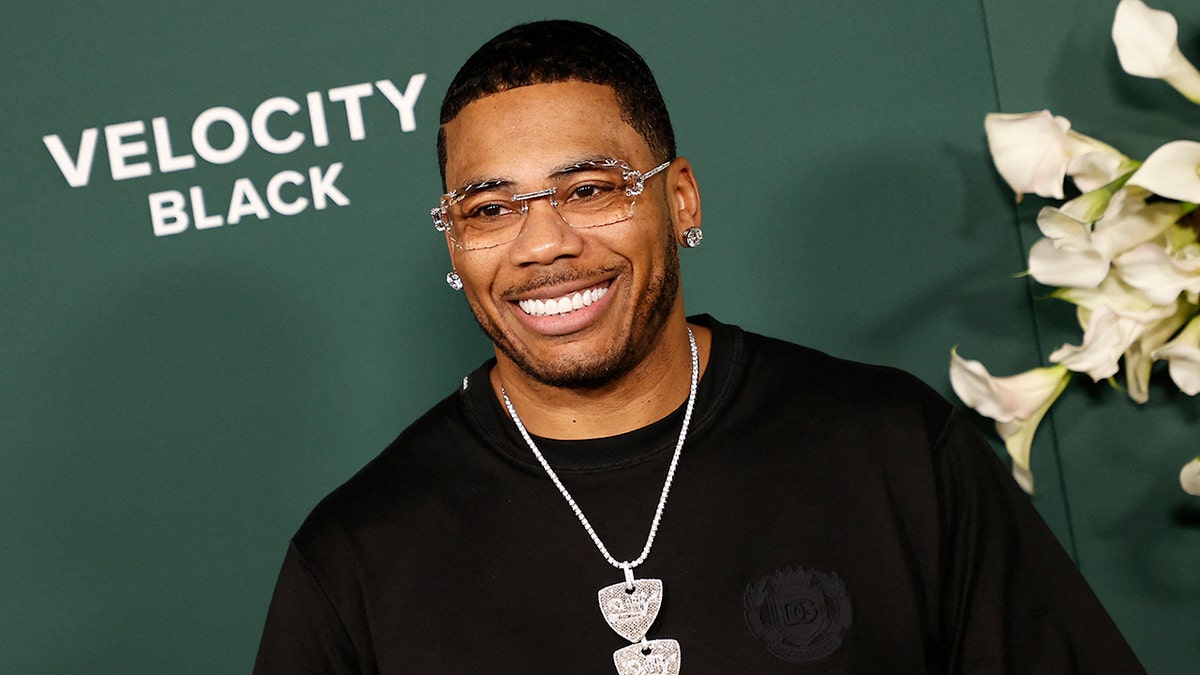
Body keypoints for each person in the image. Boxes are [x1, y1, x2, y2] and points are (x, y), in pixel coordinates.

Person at [254, 20, 1144, 674]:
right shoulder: (358, 556)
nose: (543, 244)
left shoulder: (889, 446)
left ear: (679, 200)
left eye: (591, 188)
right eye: (490, 209)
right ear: (455, 243)